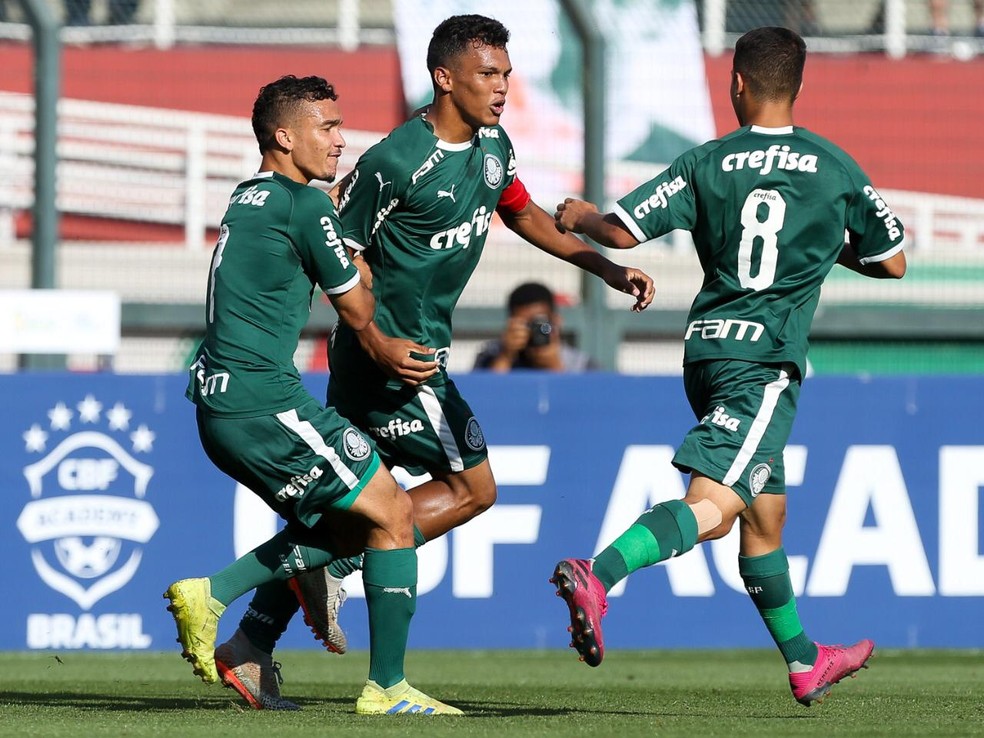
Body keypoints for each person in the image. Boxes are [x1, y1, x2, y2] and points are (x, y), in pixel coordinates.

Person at [213, 13, 655, 709]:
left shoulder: (492, 147)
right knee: (473, 489)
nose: (503, 87)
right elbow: (337, 246)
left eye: (506, 74)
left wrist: (602, 268)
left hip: (404, 354)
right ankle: (352, 612)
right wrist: (377, 337)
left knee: (371, 506)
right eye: (488, 74)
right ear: (444, 78)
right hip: (396, 360)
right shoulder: (394, 161)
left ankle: (255, 639)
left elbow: (526, 214)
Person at [549, 26, 906, 708]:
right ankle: (600, 572)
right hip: (765, 362)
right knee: (715, 504)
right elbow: (892, 260)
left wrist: (583, 215)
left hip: (708, 348)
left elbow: (621, 230)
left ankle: (805, 659)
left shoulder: (706, 162)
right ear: (796, 86)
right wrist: (829, 245)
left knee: (764, 515)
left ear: (736, 82)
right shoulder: (835, 168)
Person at [163, 74, 462, 716]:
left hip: (221, 403)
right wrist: (369, 265)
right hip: (264, 401)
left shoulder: (250, 198)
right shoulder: (306, 206)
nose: (339, 138)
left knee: (352, 520)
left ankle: (246, 632)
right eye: (326, 127)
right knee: (394, 513)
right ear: (284, 135)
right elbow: (356, 309)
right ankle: (383, 686)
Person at [473, 281, 597, 372]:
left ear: (556, 322)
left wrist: (555, 366)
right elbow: (484, 396)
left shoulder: (581, 365)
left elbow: (581, 402)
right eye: (526, 325)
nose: (534, 332)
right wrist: (505, 357)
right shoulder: (491, 355)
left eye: (541, 324)